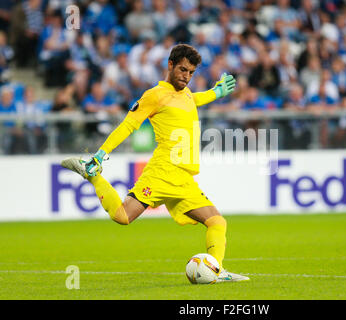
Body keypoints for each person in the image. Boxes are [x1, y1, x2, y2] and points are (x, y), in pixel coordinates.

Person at [61, 44, 248, 282]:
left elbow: (195, 99)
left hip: (184, 178)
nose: (186, 76)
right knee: (122, 217)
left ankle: (216, 271)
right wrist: (101, 154)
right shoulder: (154, 95)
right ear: (170, 65)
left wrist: (217, 92)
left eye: (191, 72)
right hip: (163, 172)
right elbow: (129, 124)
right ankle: (92, 176)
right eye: (182, 70)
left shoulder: (186, 94)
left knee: (217, 222)